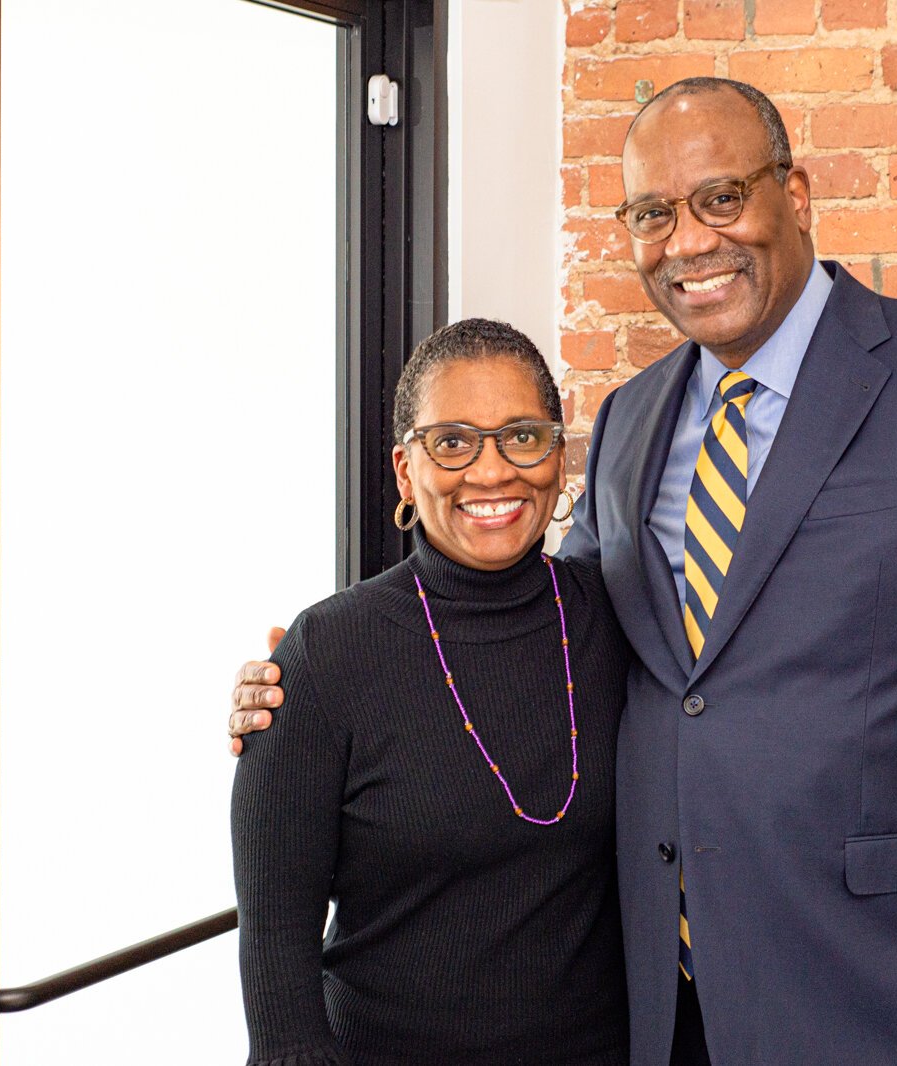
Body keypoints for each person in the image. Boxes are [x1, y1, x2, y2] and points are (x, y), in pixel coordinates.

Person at [233, 79, 897, 1066]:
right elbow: (555, 631)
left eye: (721, 198)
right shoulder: (633, 420)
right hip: (663, 1010)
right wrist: (315, 683)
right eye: (652, 214)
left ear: (794, 194)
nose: (688, 242)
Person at [231, 319, 629, 1066]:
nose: (491, 471)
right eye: (452, 442)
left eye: (522, 436)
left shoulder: (619, 618)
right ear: (405, 471)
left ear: (558, 455)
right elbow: (278, 966)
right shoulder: (326, 654)